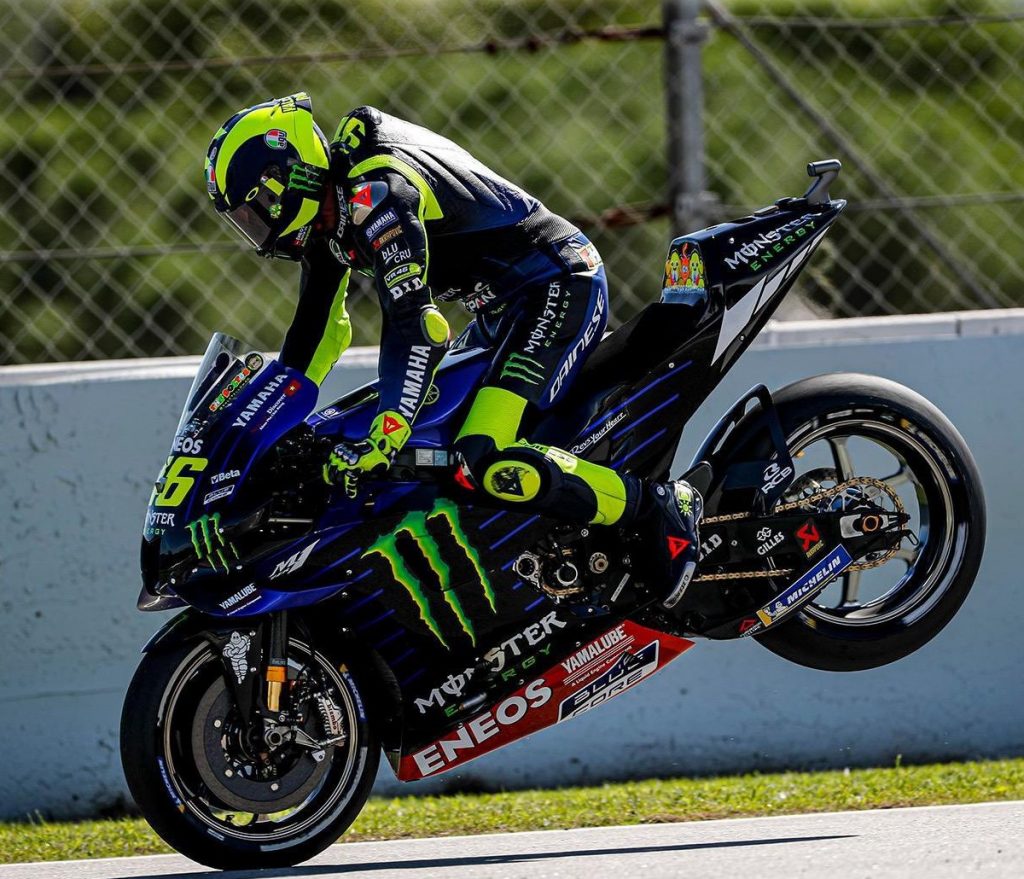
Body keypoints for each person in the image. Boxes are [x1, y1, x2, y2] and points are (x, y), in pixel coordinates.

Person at [204, 92, 702, 608]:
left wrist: (386, 433)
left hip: (556, 285)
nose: (257, 230)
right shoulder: (330, 223)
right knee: (437, 448)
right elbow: (314, 338)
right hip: (499, 312)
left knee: (480, 455)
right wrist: (257, 437)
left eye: (257, 209)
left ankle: (656, 507)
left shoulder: (378, 193)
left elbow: (415, 327)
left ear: (292, 177)